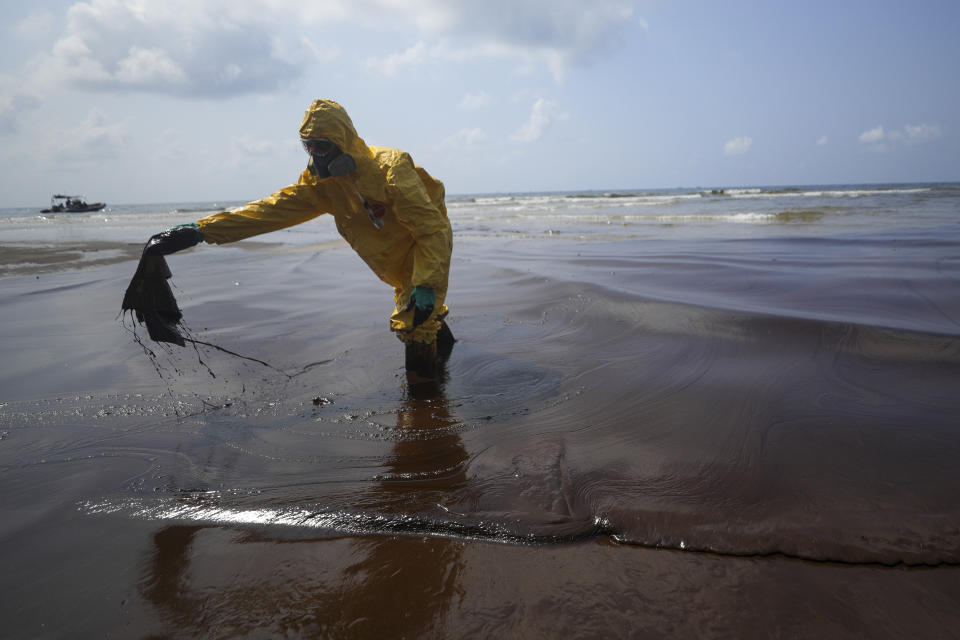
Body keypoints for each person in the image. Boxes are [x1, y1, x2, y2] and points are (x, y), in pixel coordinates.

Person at [140, 99, 454, 378]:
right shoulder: (322, 186)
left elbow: (431, 228)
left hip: (423, 248)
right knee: (421, 309)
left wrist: (426, 282)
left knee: (415, 323)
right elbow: (269, 211)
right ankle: (449, 356)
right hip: (389, 258)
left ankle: (424, 405)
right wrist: (201, 230)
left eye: (322, 146)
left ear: (341, 140)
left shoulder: (390, 168)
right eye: (309, 147)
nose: (315, 155)